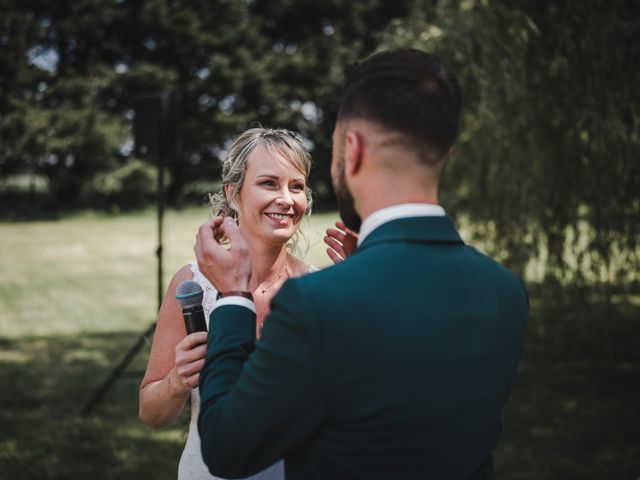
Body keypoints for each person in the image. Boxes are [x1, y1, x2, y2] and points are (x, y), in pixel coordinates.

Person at [195, 48, 529, 479]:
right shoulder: (505, 290)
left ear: (351, 151)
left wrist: (234, 297)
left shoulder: (316, 304)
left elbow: (227, 448)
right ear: (444, 153)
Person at [139, 127, 316, 480]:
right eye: (269, 183)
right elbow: (150, 413)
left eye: (296, 186)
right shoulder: (192, 285)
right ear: (233, 194)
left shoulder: (318, 288)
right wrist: (177, 381)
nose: (286, 198)